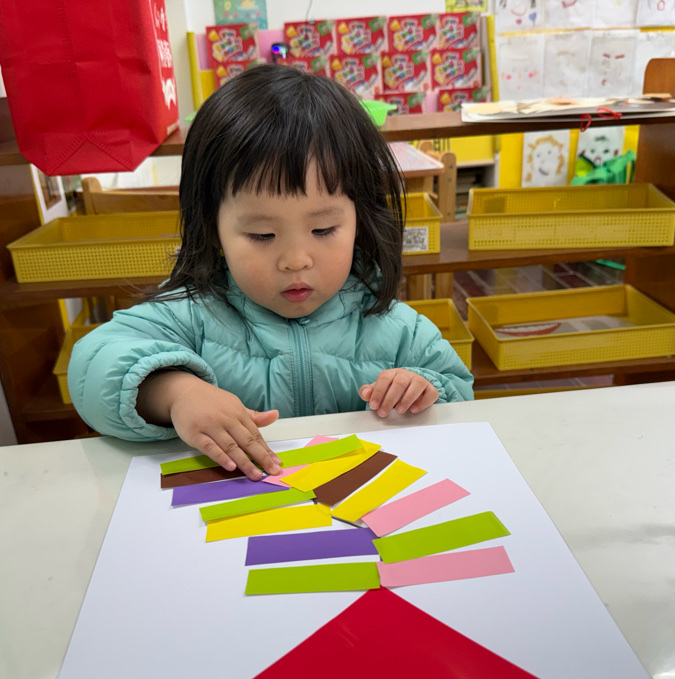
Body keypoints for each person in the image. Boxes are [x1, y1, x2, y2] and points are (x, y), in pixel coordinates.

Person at [69, 64, 474, 480]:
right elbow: (91, 365)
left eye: (323, 229)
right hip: (237, 503)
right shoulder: (189, 312)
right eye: (262, 235)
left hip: (353, 502)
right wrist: (176, 393)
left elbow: (459, 393)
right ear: (213, 230)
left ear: (360, 220)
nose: (296, 260)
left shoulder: (394, 326)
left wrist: (421, 389)